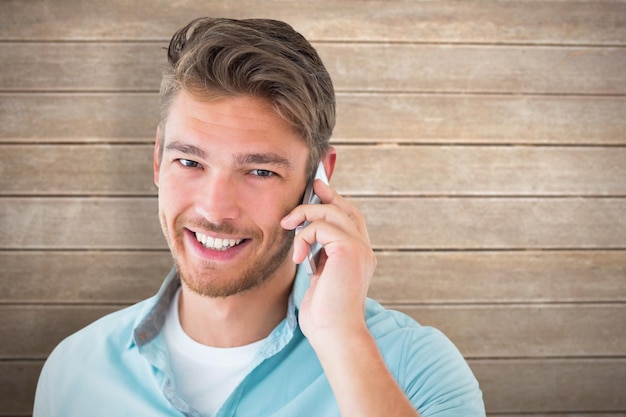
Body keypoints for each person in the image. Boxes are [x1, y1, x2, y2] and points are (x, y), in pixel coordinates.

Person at [33, 17, 485, 417]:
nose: (214, 209)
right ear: (157, 160)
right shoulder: (74, 370)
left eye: (260, 171)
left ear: (317, 180)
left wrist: (342, 338)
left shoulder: (415, 368)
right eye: (189, 163)